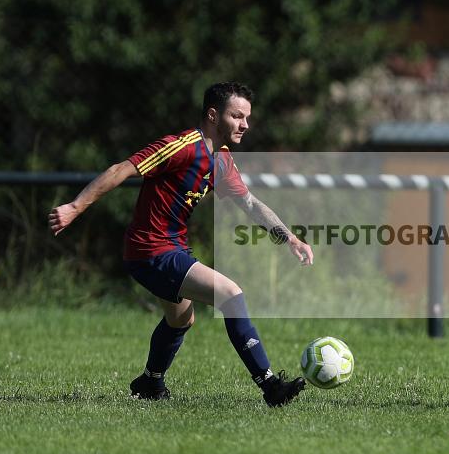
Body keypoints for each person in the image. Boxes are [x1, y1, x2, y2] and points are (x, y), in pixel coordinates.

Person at [48, 81, 314, 407]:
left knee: (181, 320)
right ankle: (270, 386)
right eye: (237, 116)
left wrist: (288, 238)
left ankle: (149, 383)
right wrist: (75, 207)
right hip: (150, 250)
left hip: (171, 248)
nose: (245, 124)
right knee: (230, 294)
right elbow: (121, 170)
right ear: (213, 115)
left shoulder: (221, 160)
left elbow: (251, 204)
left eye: (247, 117)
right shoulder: (182, 147)